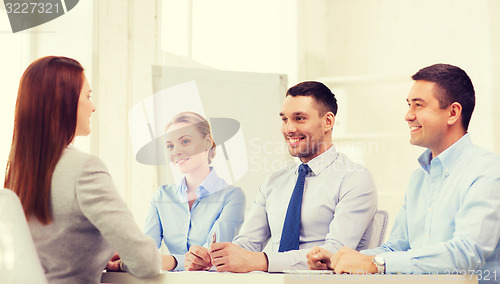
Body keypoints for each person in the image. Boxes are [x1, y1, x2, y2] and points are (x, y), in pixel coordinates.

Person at [307, 64, 500, 284]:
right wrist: (342, 259)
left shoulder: (488, 172)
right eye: (409, 105)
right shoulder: (419, 179)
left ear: (453, 113)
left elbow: (466, 255)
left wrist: (376, 264)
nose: (408, 116)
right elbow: (397, 246)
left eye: (418, 106)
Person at [185, 81, 378, 272]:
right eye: (284, 119)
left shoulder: (355, 178)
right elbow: (248, 243)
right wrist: (216, 258)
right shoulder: (274, 181)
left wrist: (260, 261)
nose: (289, 129)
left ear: (327, 121)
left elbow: (334, 253)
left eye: (299, 118)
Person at [3, 56, 161, 283]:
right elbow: (146, 262)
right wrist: (125, 260)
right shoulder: (85, 169)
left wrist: (100, 255)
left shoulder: (19, 172)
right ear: (63, 101)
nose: (93, 107)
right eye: (88, 96)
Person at [143, 111, 246, 271]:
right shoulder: (162, 196)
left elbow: (210, 258)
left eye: (185, 141)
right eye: (170, 146)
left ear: (207, 143)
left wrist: (171, 262)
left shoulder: (231, 196)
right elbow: (146, 250)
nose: (176, 151)